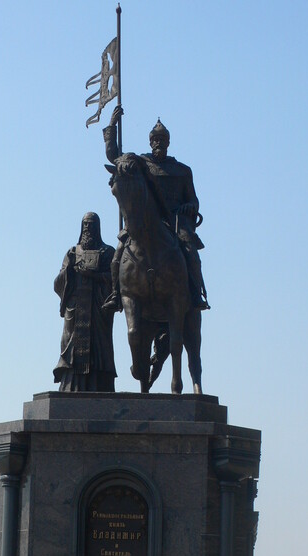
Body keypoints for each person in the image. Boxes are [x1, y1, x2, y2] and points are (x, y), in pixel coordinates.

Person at [102, 105, 209, 312]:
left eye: (162, 139)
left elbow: (194, 200)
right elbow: (114, 156)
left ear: (168, 142)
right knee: (117, 255)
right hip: (144, 222)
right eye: (155, 139)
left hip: (176, 222)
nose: (158, 142)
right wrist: (112, 125)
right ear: (150, 142)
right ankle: (116, 294)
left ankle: (196, 294)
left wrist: (189, 207)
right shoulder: (141, 164)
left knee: (191, 253)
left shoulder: (182, 171)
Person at [53, 213, 117, 392]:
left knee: (99, 346)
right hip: (76, 305)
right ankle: (70, 386)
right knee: (71, 343)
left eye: (91, 224)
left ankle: (99, 384)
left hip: (98, 306)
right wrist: (70, 272)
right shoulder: (72, 252)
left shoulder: (108, 252)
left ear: (98, 227)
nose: (88, 228)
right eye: (85, 224)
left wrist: (94, 276)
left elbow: (116, 280)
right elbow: (58, 281)